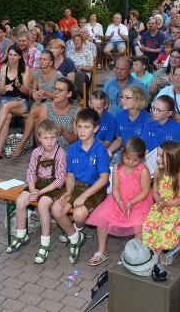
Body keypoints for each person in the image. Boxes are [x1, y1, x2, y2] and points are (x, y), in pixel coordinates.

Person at [52, 108, 111, 264]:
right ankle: (75, 237)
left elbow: (104, 179)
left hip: (95, 189)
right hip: (76, 186)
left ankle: (77, 231)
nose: (82, 130)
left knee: (78, 215)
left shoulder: (100, 149)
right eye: (79, 126)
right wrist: (69, 191)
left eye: (87, 127)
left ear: (95, 129)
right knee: (57, 209)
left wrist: (85, 195)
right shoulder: (72, 149)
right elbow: (70, 175)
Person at [85, 137, 153, 266]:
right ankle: (102, 250)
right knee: (102, 216)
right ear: (123, 154)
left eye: (135, 160)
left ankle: (138, 255)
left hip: (139, 201)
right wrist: (119, 200)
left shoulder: (143, 170)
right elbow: (115, 188)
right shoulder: (117, 168)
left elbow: (145, 191)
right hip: (119, 198)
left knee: (138, 223)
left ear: (142, 158)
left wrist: (131, 203)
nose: (131, 162)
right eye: (128, 158)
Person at [6, 120, 67, 263]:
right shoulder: (36, 152)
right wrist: (33, 189)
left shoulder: (60, 153)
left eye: (53, 137)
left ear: (57, 137)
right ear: (39, 138)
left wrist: (40, 193)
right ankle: (21, 235)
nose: (50, 141)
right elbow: (31, 172)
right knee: (21, 201)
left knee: (42, 205)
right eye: (46, 138)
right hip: (38, 184)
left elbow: (60, 180)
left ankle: (45, 243)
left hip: (53, 186)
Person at [142, 140, 180, 263]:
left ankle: (156, 256)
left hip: (176, 207)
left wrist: (166, 204)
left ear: (172, 158)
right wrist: (159, 201)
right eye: (157, 155)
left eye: (161, 156)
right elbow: (155, 192)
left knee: (164, 227)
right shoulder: (159, 171)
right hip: (161, 205)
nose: (157, 159)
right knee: (150, 225)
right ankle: (151, 251)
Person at [0, 46, 32, 163]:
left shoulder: (24, 69)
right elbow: (0, 92)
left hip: (21, 102)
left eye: (15, 55)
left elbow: (27, 92)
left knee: (5, 107)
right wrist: (5, 88)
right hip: (6, 99)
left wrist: (19, 85)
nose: (12, 57)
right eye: (10, 54)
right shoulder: (4, 68)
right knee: (7, 116)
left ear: (20, 56)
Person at [11, 77, 79, 158]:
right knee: (35, 113)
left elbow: (76, 140)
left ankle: (37, 152)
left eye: (60, 90)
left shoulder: (76, 111)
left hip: (67, 151)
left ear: (69, 94)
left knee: (37, 114)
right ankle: (34, 149)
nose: (55, 93)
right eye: (55, 89)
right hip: (47, 148)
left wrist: (64, 131)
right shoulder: (47, 107)